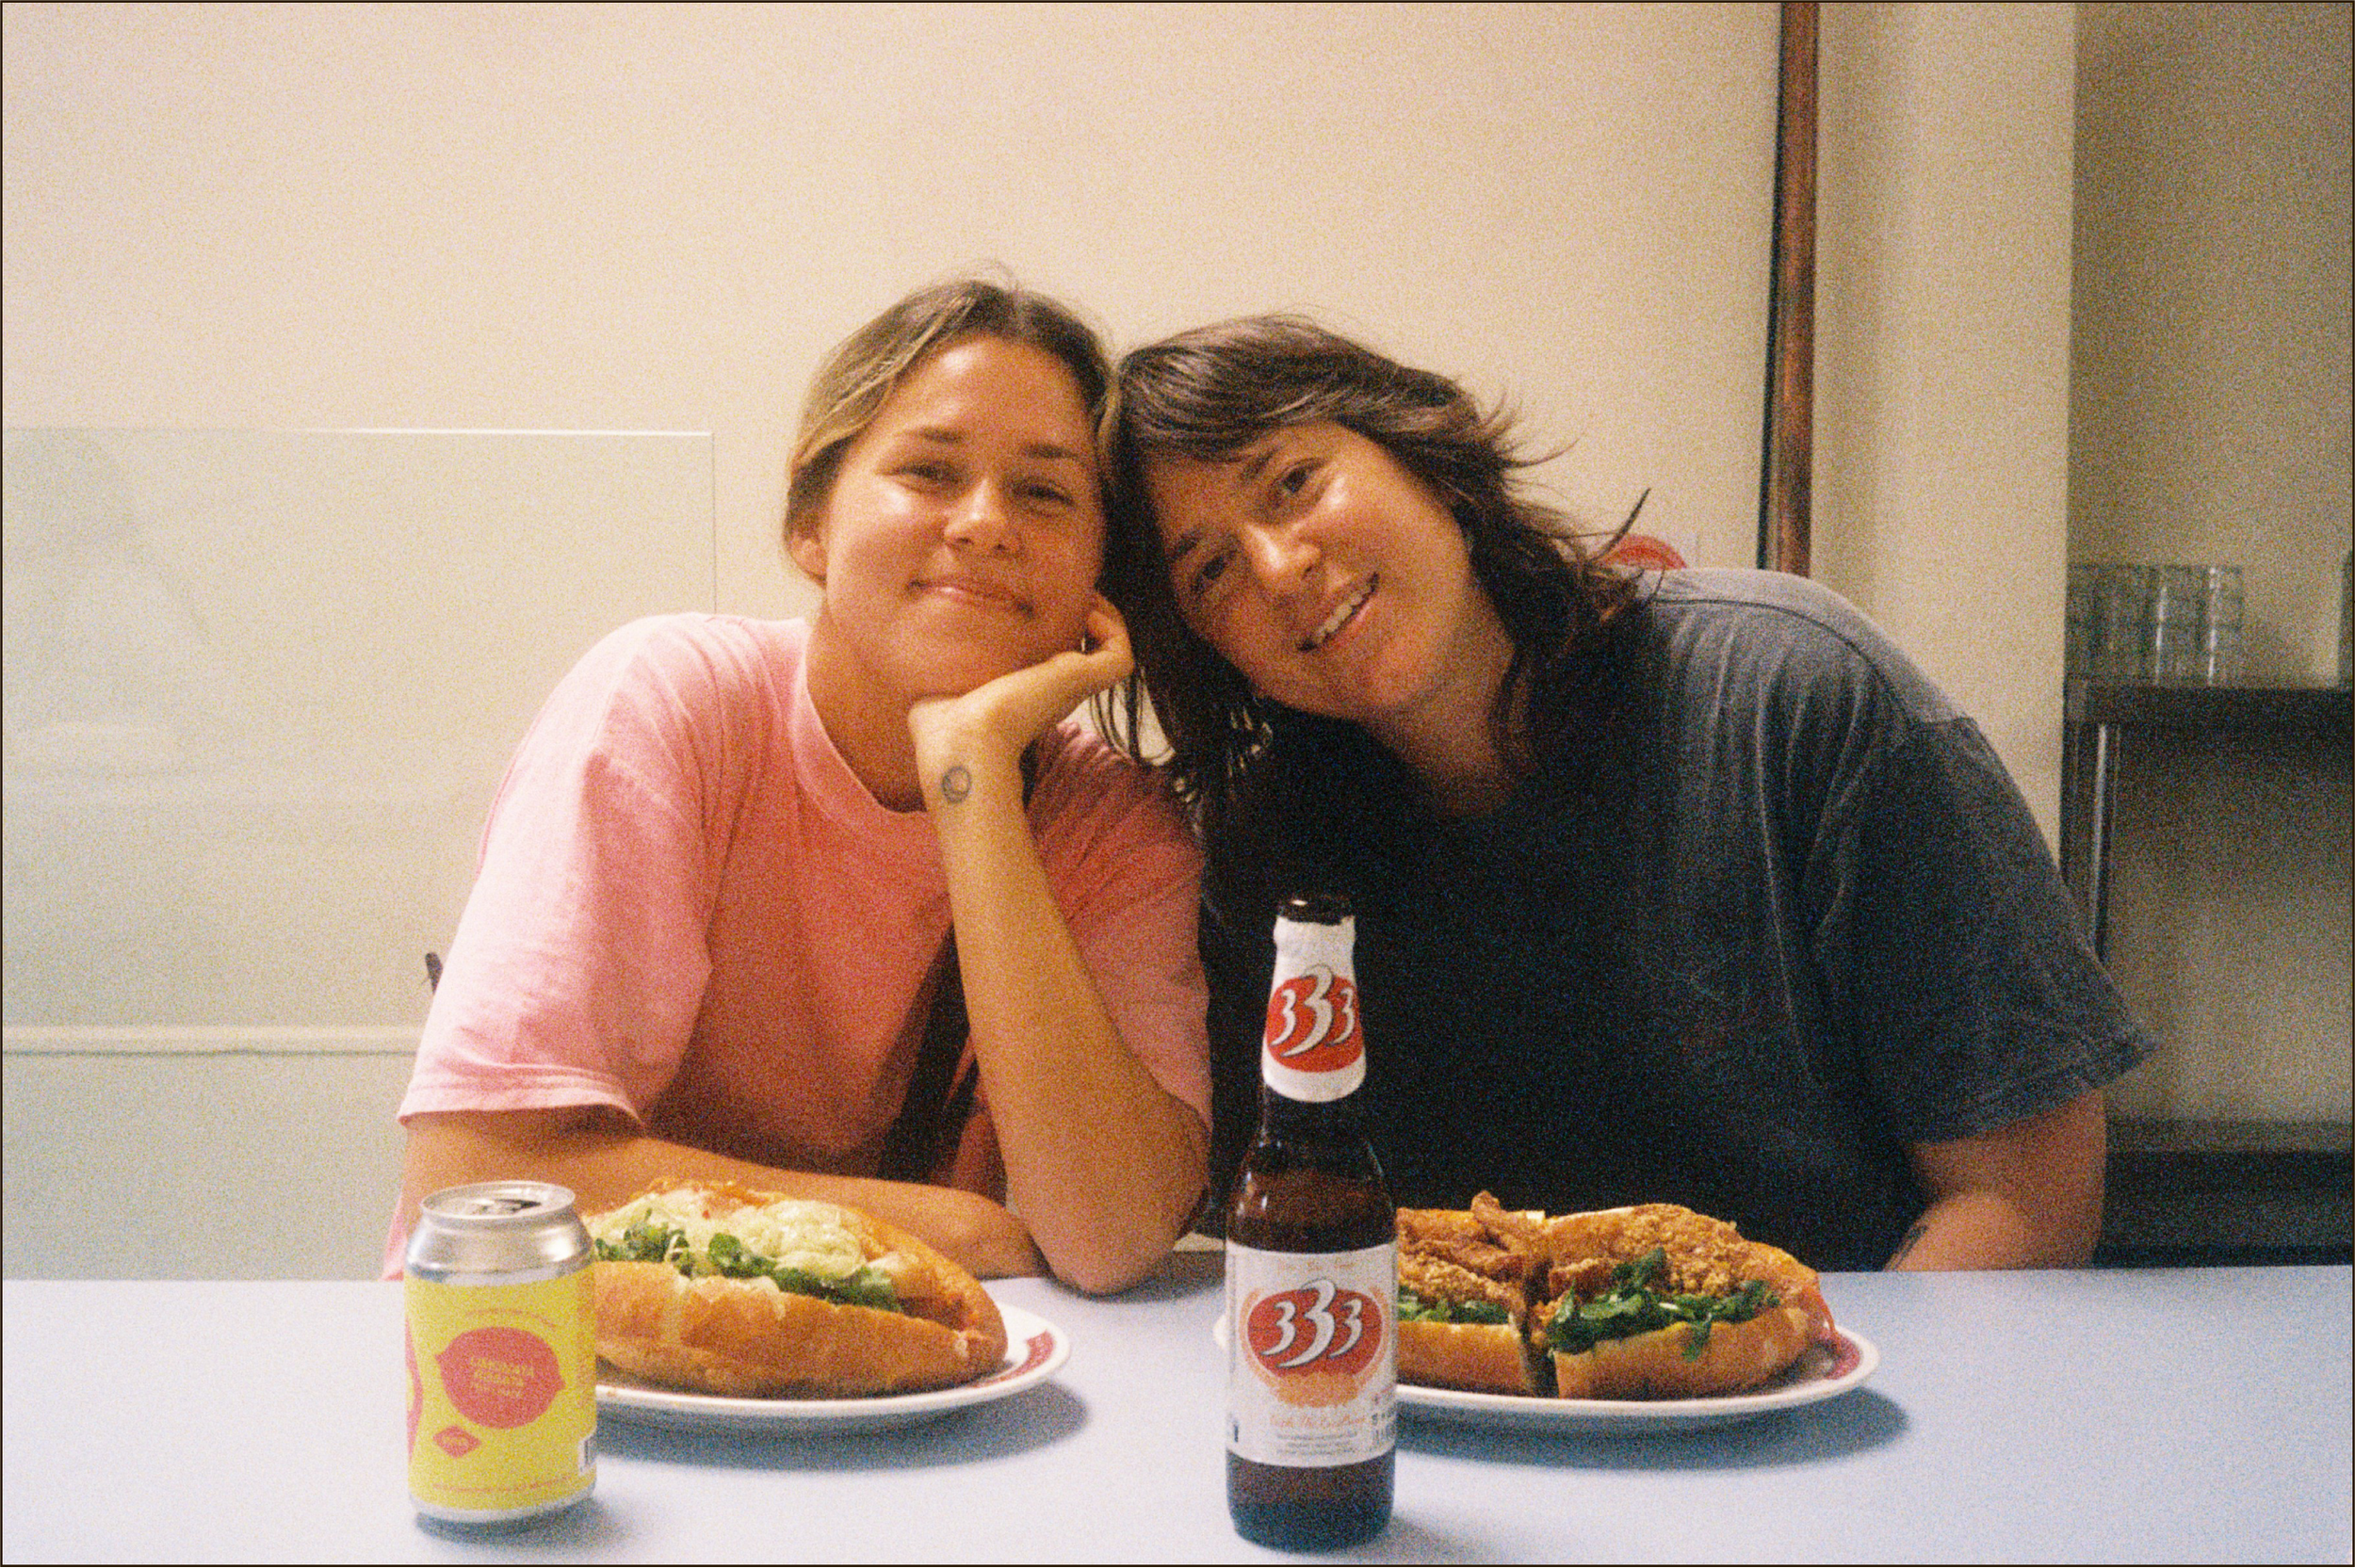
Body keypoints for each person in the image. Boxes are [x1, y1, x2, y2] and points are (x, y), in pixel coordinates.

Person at [1096, 314, 2153, 1271]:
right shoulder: (1267, 869)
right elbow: (1274, 1240)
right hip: (1453, 1439)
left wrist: (1792, 1407)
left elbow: (2026, 1200)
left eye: (1291, 484)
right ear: (1214, 654)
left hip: (1828, 1425)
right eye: (1211, 573)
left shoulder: (1792, 697)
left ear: (1428, 462)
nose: (1280, 568)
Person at [391, 279, 1210, 1295]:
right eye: (929, 471)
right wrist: (957, 1231)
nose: (986, 523)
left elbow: (1109, 1231)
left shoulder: (1116, 826)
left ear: (1100, 571)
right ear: (811, 526)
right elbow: (478, 1174)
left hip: (946, 1402)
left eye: (1044, 493)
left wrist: (971, 778)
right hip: (602, 1384)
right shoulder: (672, 702)